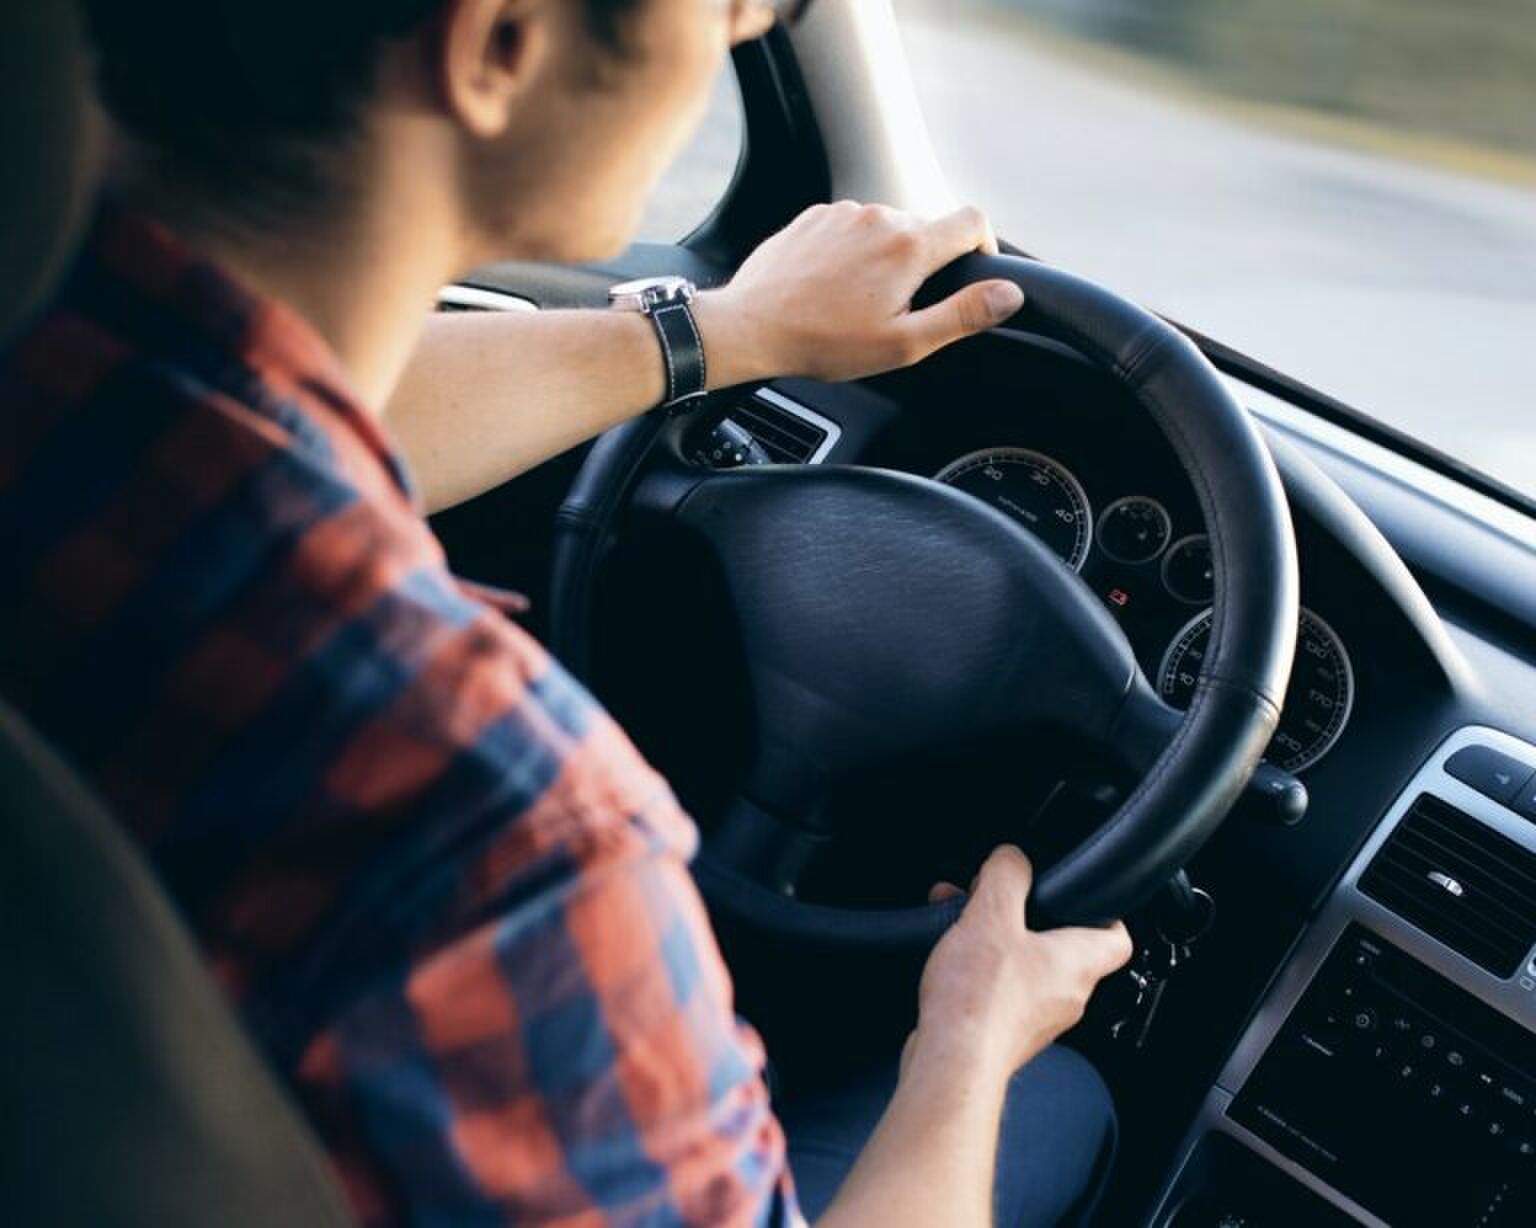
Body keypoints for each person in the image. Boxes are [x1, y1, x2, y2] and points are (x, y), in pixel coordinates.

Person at [0, 0, 1133, 1223]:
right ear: (499, 43)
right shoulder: (496, 833)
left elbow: (295, 411)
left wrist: (729, 331)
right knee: (1056, 1100)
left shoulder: (62, 370)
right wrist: (967, 1036)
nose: (745, 24)